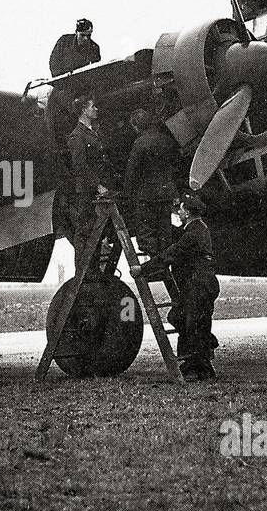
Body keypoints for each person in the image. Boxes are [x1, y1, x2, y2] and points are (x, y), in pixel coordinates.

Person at [141, 193, 219, 379]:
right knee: (184, 318)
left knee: (193, 324)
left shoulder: (193, 233)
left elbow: (173, 252)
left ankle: (198, 367)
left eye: (181, 209)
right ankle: (199, 360)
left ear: (189, 212)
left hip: (199, 283)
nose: (179, 212)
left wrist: (143, 269)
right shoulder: (197, 228)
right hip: (202, 283)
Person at [65, 95, 116, 275]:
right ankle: (84, 269)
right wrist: (97, 186)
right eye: (93, 107)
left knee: (93, 230)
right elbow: (80, 167)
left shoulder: (90, 132)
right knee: (85, 230)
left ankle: (92, 268)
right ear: (84, 111)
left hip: (94, 188)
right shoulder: (77, 136)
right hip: (87, 190)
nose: (96, 109)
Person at [122, 109, 179, 256]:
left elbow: (131, 172)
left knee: (147, 231)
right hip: (167, 192)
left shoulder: (139, 143)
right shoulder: (166, 140)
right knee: (164, 229)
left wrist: (127, 193)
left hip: (148, 194)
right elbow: (176, 164)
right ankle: (165, 259)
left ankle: (154, 262)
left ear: (137, 125)